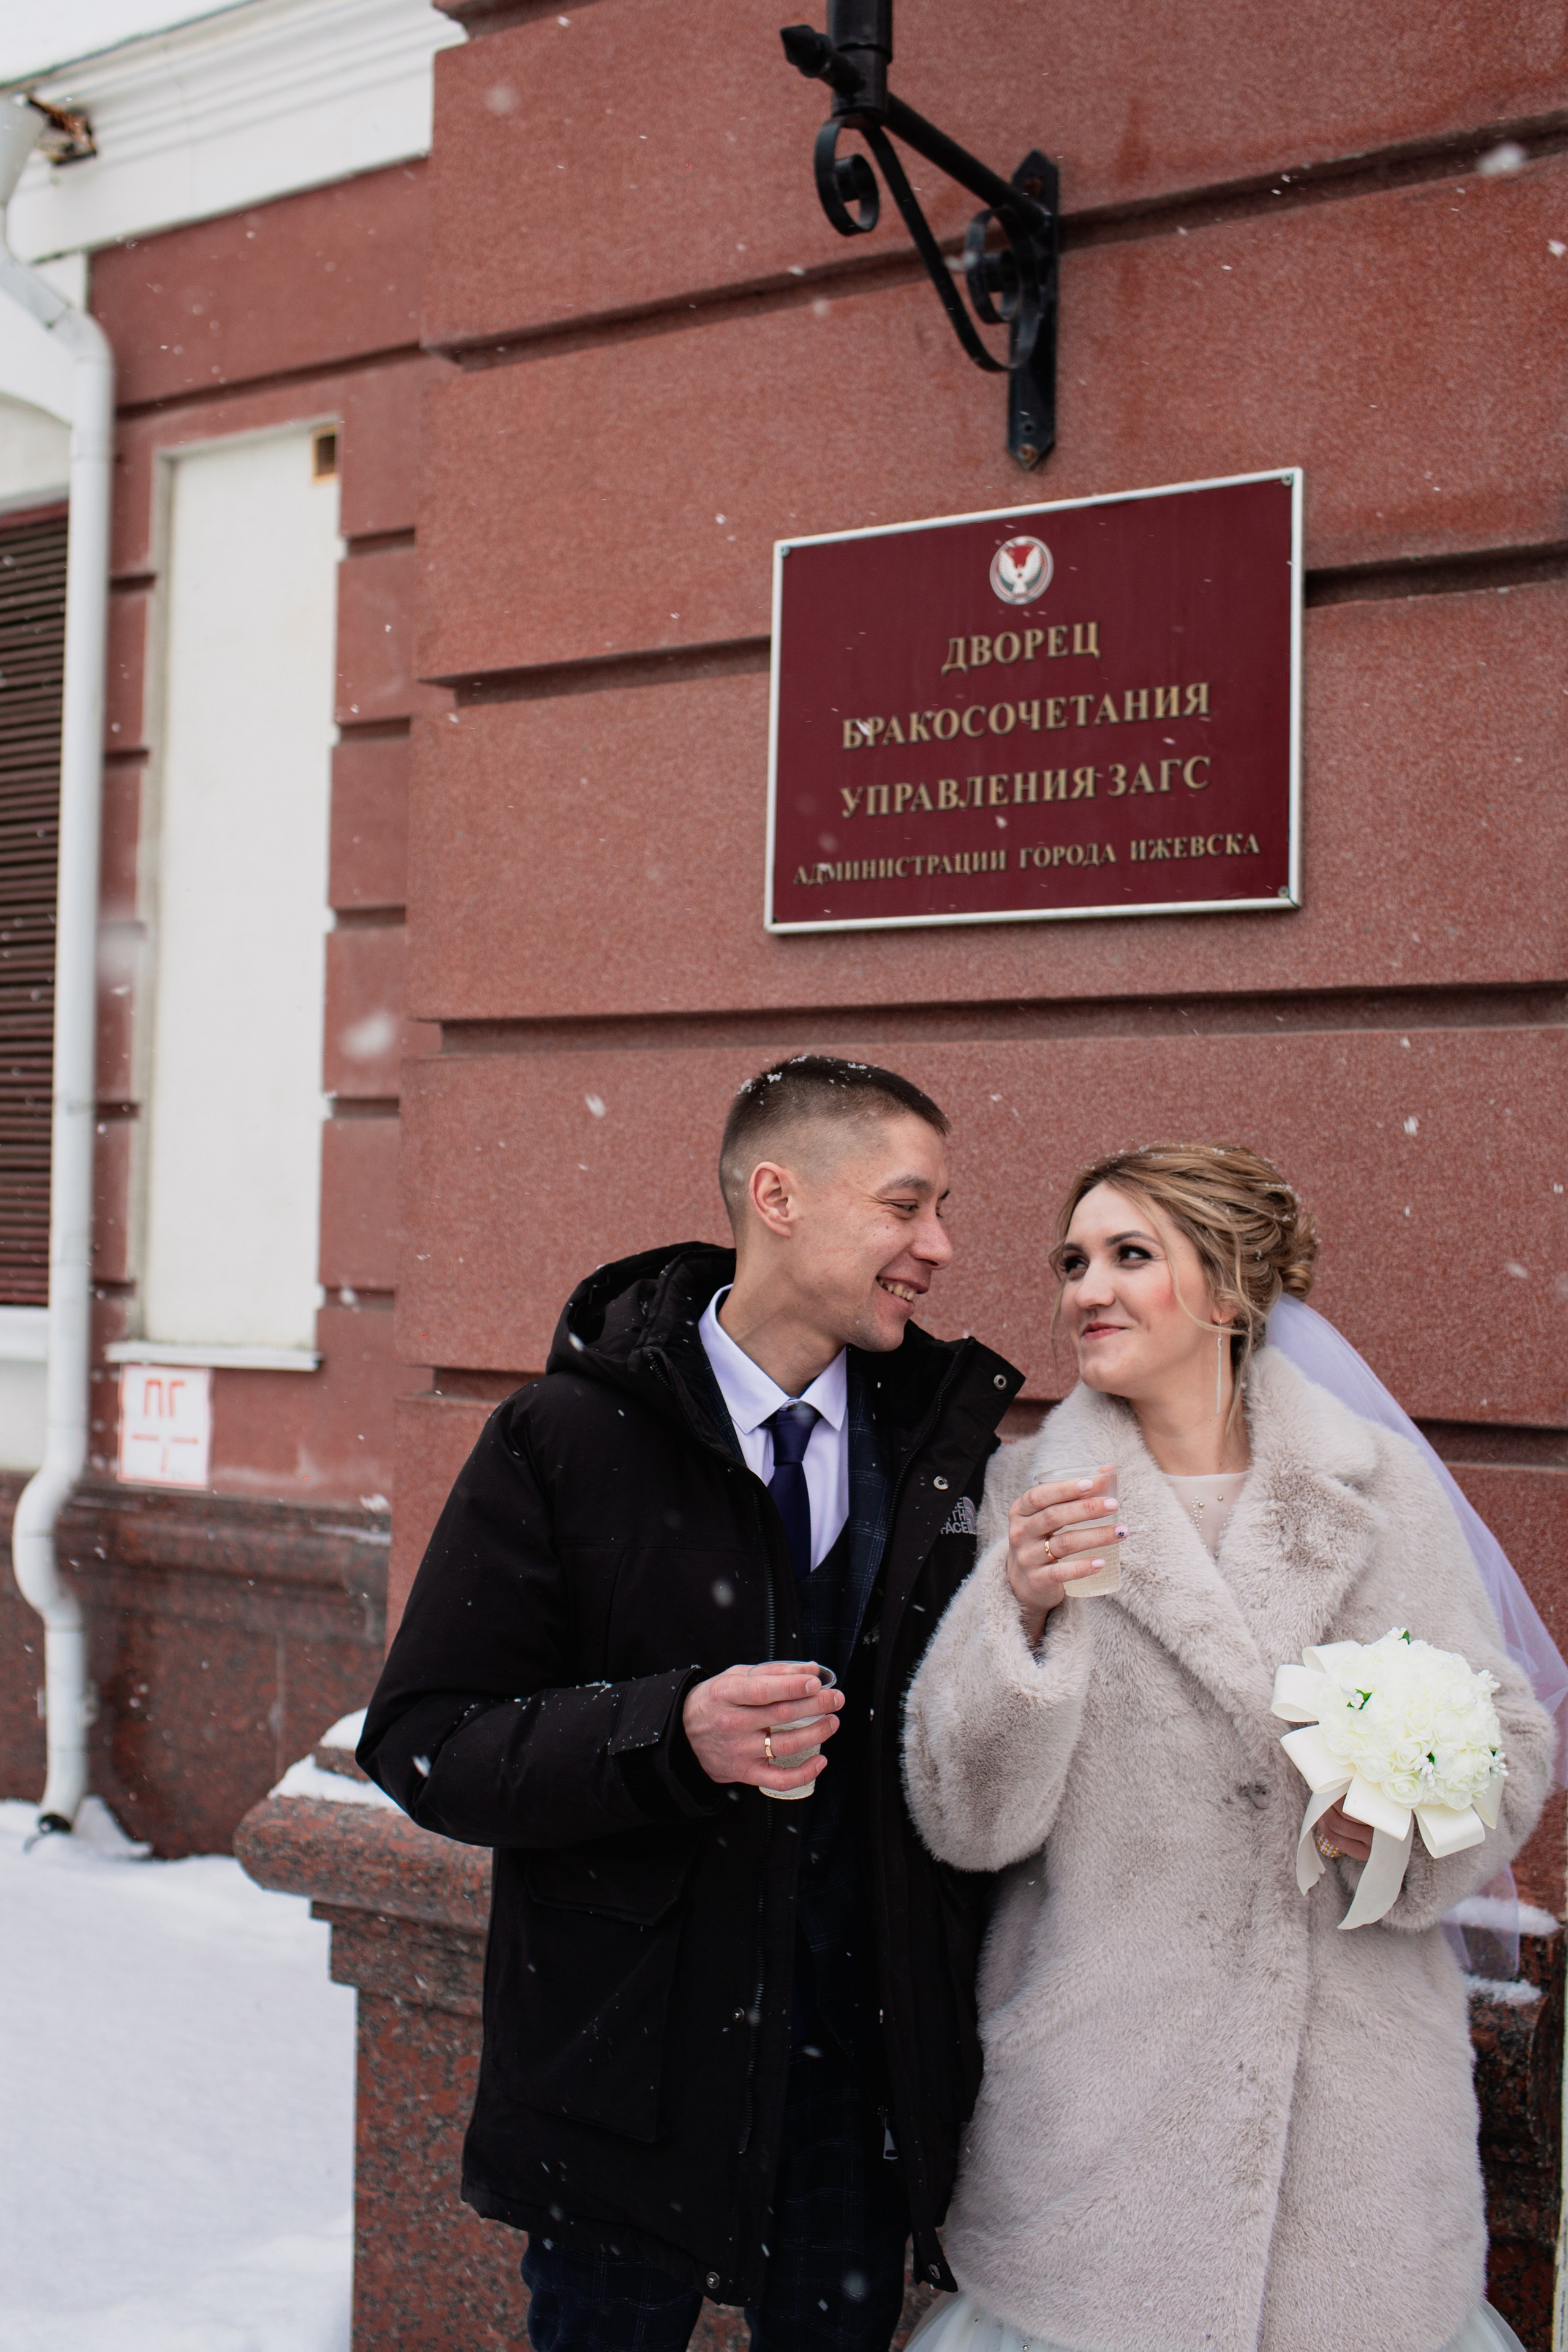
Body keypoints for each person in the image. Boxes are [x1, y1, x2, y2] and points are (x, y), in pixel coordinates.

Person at [358, 1054, 1023, 2351]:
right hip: (624, 2078)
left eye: (940, 1209)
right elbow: (425, 1741)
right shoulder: (560, 1438)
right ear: (777, 1195)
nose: (936, 1247)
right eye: (904, 1205)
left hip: (858, 2084)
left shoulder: (944, 1451)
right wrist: (668, 1733)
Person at [900, 1144, 1555, 2352]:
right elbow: (967, 1816)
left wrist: (1402, 1831)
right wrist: (1018, 1612)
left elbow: (1506, 1740)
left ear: (1228, 1288)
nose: (1085, 1288)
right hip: (1101, 2120)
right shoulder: (1022, 1497)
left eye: (1128, 1256)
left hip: (1348, 2140)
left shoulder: (1375, 1494)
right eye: (1072, 1260)